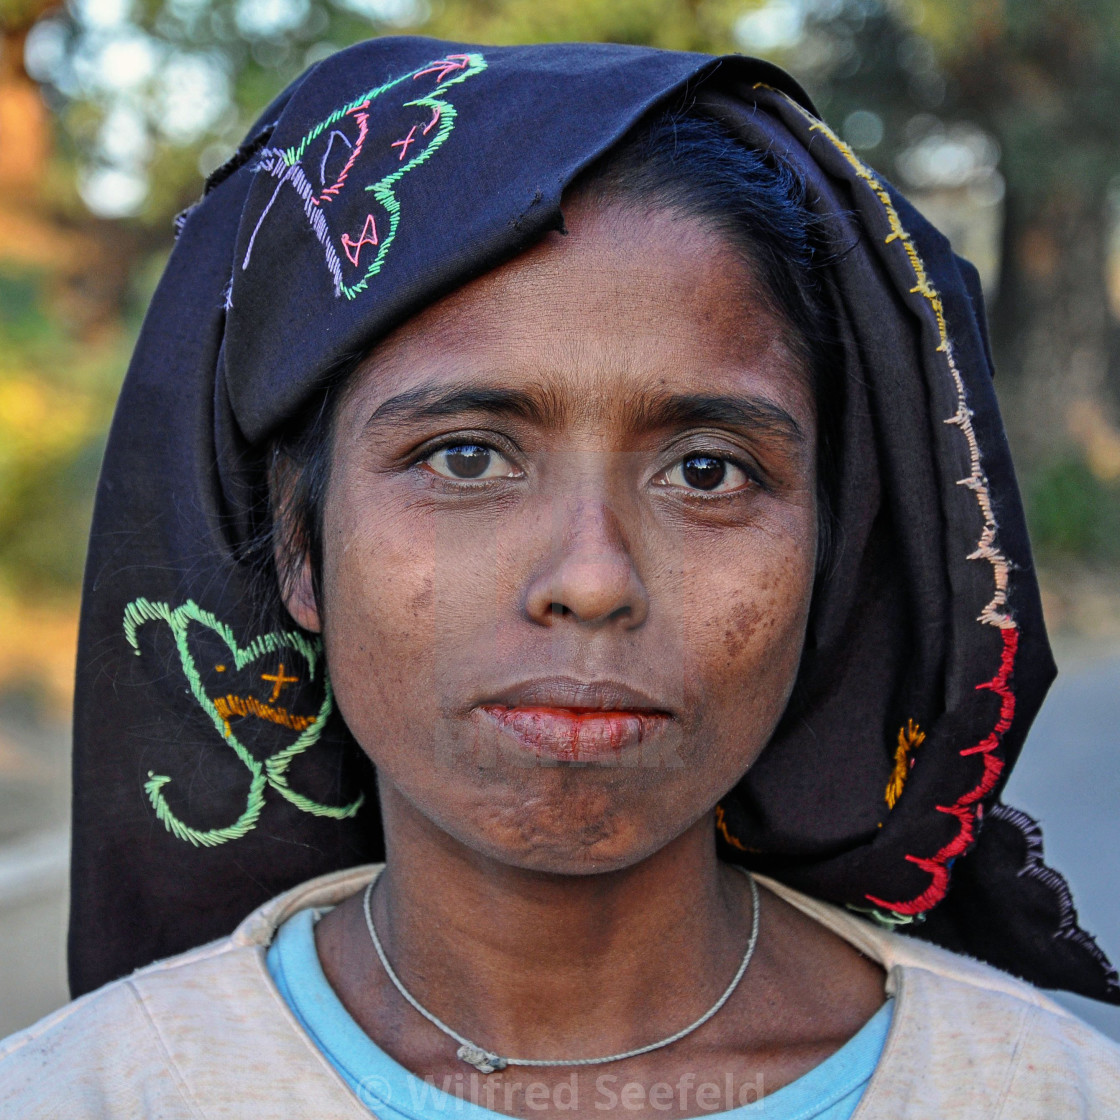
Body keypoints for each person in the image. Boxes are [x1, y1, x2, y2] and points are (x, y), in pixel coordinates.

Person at [2, 36, 1119, 1118]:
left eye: (705, 469)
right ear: (300, 545)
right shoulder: (88, 1094)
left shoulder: (1040, 1091)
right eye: (466, 455)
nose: (590, 578)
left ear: (827, 546)